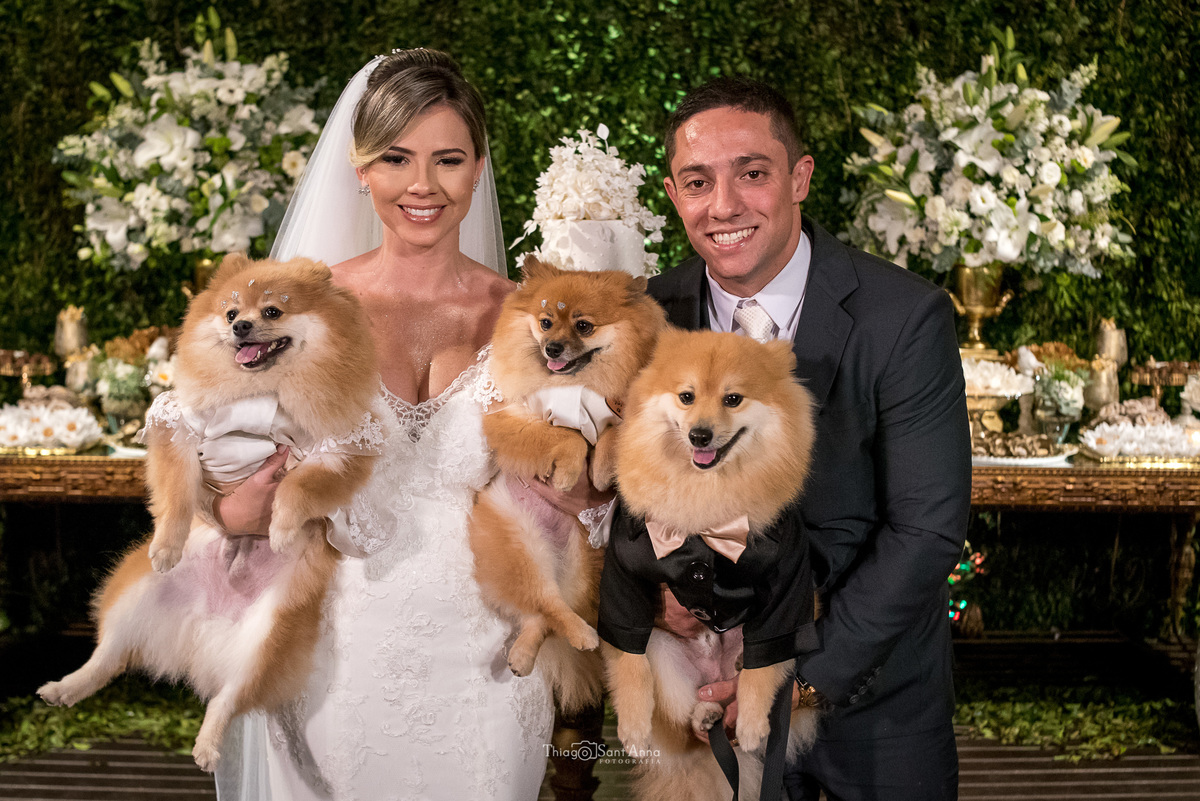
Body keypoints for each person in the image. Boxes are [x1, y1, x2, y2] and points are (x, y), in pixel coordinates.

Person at [211, 49, 572, 800]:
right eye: (396, 158)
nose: (422, 185)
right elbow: (228, 479)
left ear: (478, 168)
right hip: (334, 655)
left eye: (447, 159)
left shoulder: (533, 317)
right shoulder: (296, 311)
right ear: (360, 169)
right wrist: (235, 506)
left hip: (492, 664)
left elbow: (577, 492)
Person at [648, 76, 971, 800]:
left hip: (870, 710)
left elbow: (927, 527)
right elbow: (610, 496)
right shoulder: (647, 317)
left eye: (752, 174)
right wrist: (649, 597)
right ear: (674, 193)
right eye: (699, 181)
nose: (724, 205)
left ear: (799, 177)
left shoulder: (903, 316)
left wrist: (797, 678)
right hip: (701, 716)